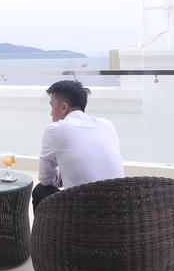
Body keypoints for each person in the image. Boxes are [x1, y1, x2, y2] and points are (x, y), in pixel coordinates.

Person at [33, 80, 124, 210]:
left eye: (52, 106)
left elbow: (45, 179)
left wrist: (60, 177)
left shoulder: (53, 130)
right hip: (119, 209)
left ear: (64, 107)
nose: (51, 113)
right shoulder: (107, 124)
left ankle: (46, 225)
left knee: (41, 190)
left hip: (84, 213)